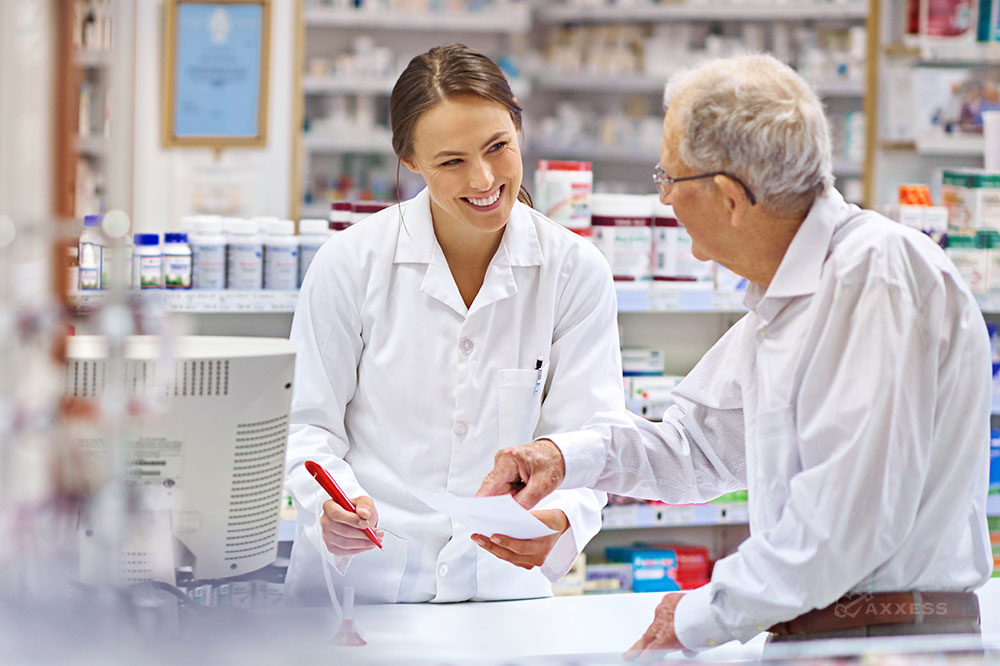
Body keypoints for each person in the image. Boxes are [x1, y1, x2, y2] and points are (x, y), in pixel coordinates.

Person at [478, 54, 992, 654]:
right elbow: (697, 449)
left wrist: (698, 615)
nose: (664, 199)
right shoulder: (790, 297)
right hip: (831, 636)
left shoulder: (872, 278)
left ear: (726, 195)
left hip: (889, 643)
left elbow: (842, 529)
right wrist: (562, 457)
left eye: (668, 178)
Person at [283, 44, 624, 606]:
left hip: (502, 593)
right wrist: (333, 504)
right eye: (452, 161)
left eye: (498, 148)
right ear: (411, 160)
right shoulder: (350, 263)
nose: (484, 178)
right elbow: (306, 426)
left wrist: (562, 519)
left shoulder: (573, 270)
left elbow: (591, 437)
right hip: (363, 591)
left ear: (520, 131)